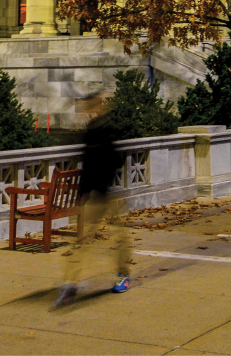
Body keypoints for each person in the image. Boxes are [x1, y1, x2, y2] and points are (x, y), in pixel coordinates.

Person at [54, 92, 132, 307]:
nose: (85, 111)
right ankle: (72, 283)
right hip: (96, 196)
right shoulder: (90, 132)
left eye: (89, 106)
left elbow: (115, 160)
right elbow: (88, 165)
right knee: (84, 240)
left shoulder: (105, 132)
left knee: (118, 239)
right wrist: (83, 192)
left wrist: (98, 186)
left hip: (107, 195)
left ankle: (122, 275)